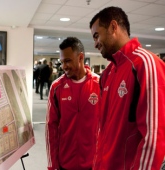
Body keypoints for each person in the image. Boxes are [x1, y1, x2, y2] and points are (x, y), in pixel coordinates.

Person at [89, 6, 165, 170]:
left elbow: (153, 136)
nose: (95, 44)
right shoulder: (108, 74)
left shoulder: (145, 64)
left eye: (96, 36)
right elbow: (104, 130)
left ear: (113, 27)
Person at [45, 37, 100, 170]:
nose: (64, 66)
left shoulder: (100, 84)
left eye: (68, 61)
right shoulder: (57, 87)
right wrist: (53, 165)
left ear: (81, 57)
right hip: (66, 163)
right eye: (62, 62)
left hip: (94, 163)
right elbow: (51, 128)